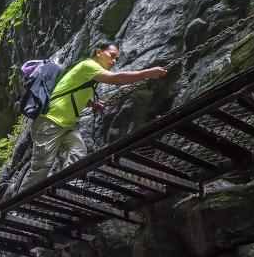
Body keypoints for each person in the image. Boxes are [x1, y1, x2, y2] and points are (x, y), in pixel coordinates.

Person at [20, 41, 167, 191]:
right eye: (112, 56)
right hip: (50, 122)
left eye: (116, 58)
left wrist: (92, 104)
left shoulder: (89, 74)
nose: (114, 61)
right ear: (98, 52)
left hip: (67, 125)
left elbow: (70, 90)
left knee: (78, 153)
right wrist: (148, 73)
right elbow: (116, 79)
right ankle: (18, 207)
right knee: (41, 168)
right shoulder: (88, 65)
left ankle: (66, 190)